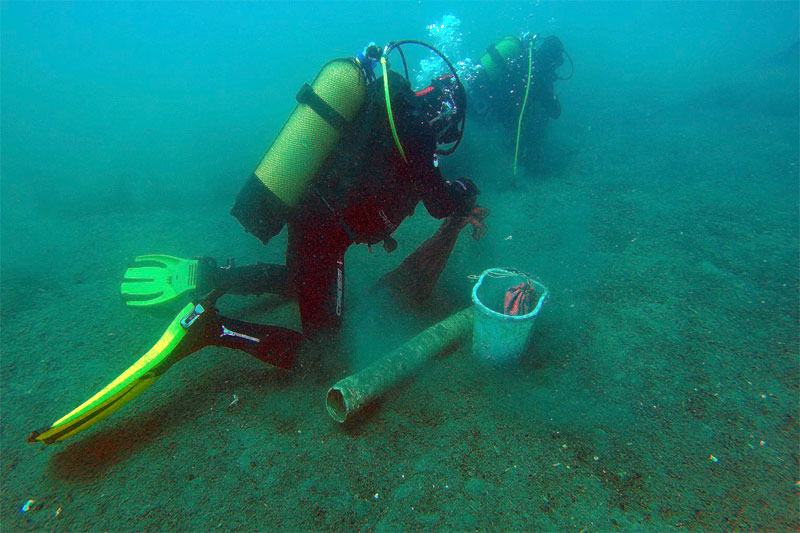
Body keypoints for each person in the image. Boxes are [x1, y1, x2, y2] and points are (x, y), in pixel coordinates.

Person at [468, 33, 570, 166]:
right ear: (553, 61)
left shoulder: (523, 56)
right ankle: (526, 160)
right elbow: (555, 112)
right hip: (489, 114)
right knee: (540, 115)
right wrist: (552, 93)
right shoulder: (541, 76)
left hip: (474, 95)